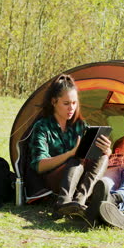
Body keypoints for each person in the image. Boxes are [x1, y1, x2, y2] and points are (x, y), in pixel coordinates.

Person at [28, 74, 112, 216]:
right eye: (66, 103)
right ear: (54, 102)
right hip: (53, 180)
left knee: (103, 157)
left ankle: (80, 201)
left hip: (79, 179)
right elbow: (39, 166)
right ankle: (63, 202)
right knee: (75, 160)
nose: (71, 108)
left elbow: (93, 155)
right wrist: (70, 154)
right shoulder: (42, 127)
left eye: (74, 103)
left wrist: (106, 150)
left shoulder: (79, 125)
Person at [86, 135, 124, 229]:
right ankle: (102, 204)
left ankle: (114, 202)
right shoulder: (109, 156)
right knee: (105, 182)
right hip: (112, 167)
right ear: (117, 150)